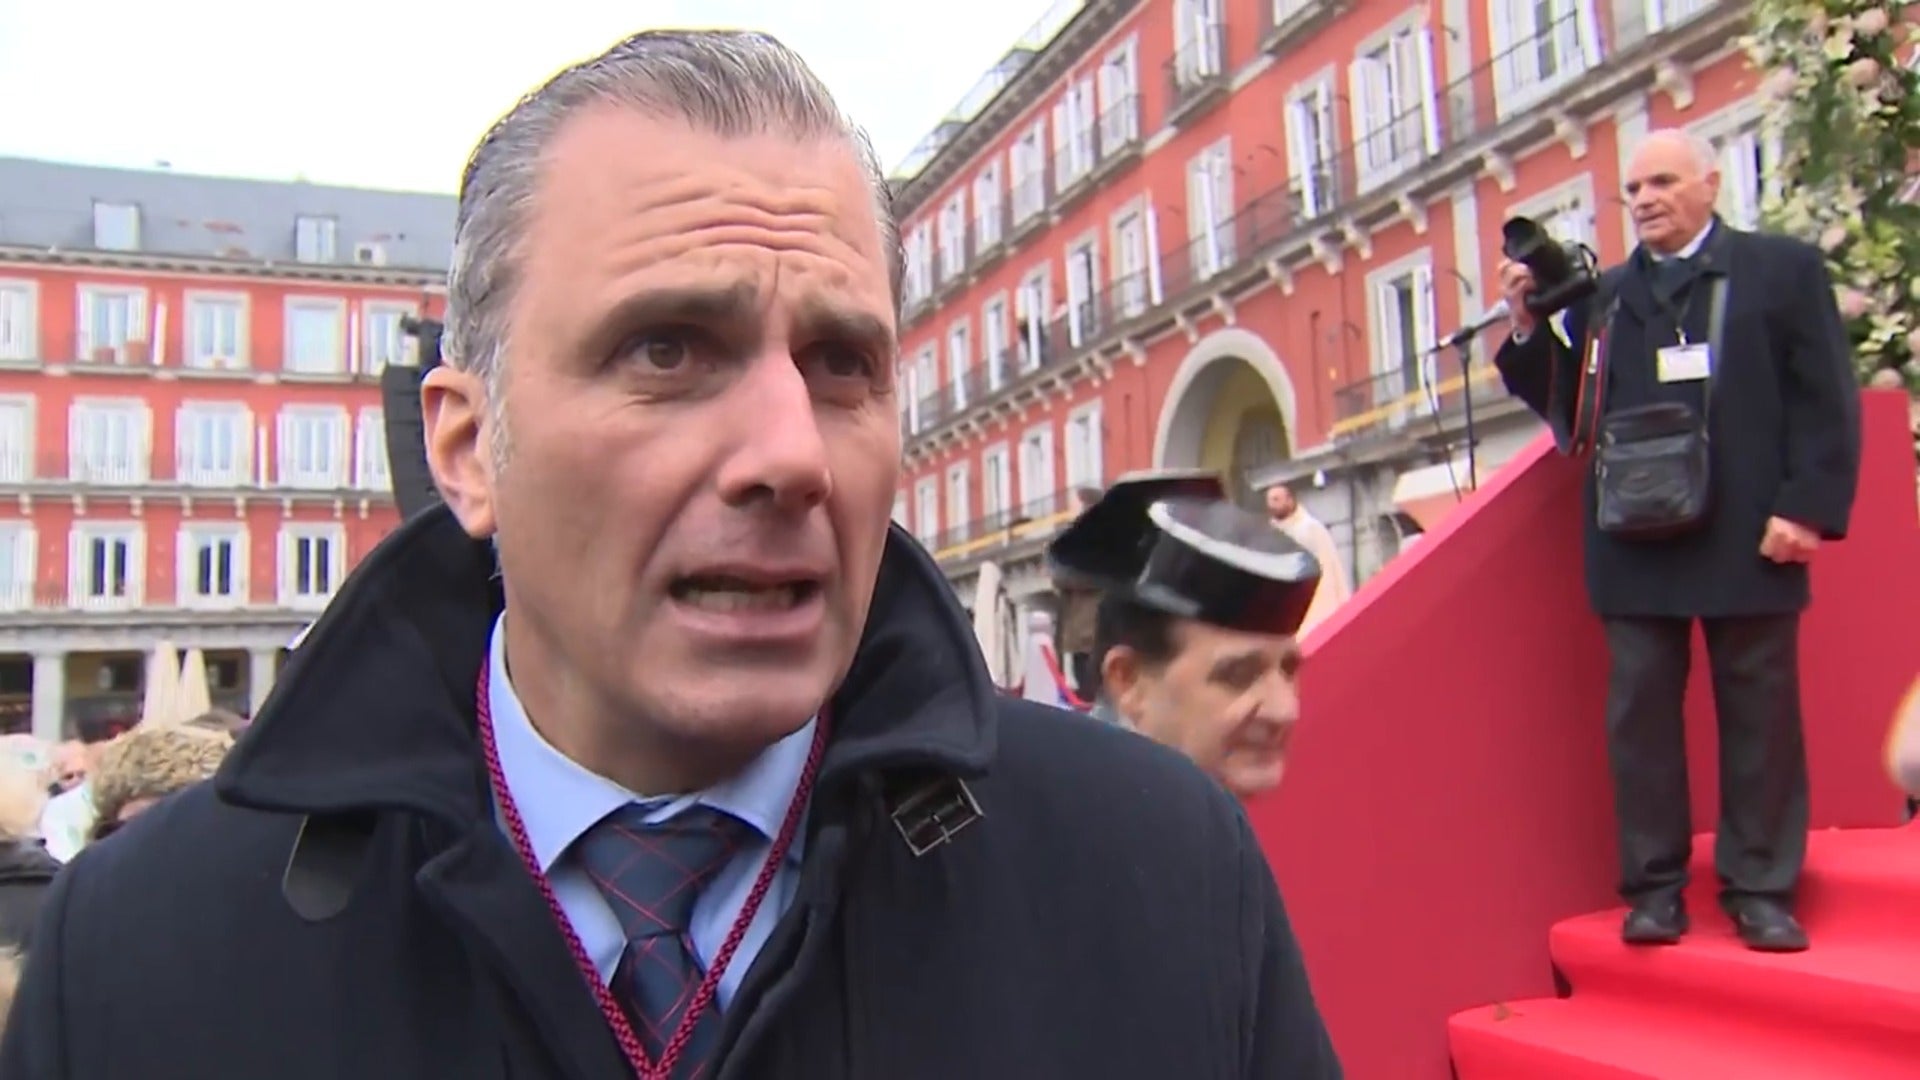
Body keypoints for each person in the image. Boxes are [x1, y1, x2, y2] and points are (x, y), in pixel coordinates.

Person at [2, 30, 1340, 1080]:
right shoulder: (139, 953)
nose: (791, 453)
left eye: (841, 363)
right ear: (468, 450)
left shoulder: (1163, 881)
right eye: (668, 350)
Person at [1492, 127, 1861, 952]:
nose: (1646, 200)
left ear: (1710, 183)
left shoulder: (1782, 270)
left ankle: (1762, 890)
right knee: (1641, 725)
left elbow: (1826, 398)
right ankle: (1655, 891)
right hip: (1632, 537)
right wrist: (1527, 327)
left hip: (1755, 529)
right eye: (1633, 189)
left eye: (1662, 182)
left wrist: (1807, 508)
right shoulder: (1606, 295)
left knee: (1762, 717)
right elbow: (1568, 409)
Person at [1055, 470, 1322, 800]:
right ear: (1127, 680)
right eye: (1238, 675)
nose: (1284, 710)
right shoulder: (1066, 824)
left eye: (1289, 670)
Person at [1264, 482, 1352, 636]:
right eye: (1270, 500)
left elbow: (1327, 566)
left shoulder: (1310, 528)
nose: (1272, 505)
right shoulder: (1270, 534)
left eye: (1277, 499)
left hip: (1316, 601)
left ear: (1290, 500)